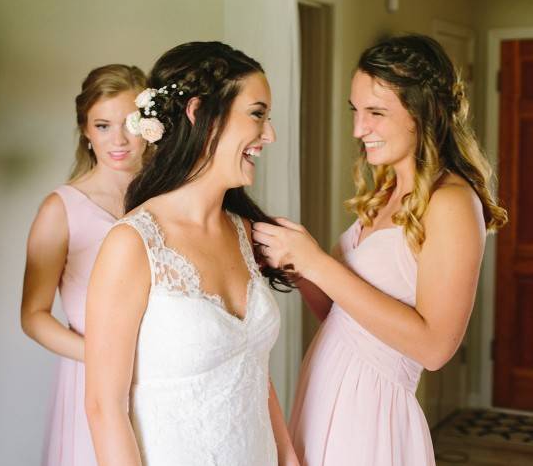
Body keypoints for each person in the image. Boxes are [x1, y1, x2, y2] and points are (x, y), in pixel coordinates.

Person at [252, 34, 507, 465]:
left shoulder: (451, 202)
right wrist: (298, 267)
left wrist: (318, 262)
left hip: (371, 415)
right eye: (356, 112)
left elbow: (434, 348)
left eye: (376, 113)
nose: (358, 130)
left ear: (424, 113)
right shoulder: (387, 190)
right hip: (324, 395)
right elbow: (344, 316)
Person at [84, 41, 300, 466]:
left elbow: (252, 370)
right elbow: (103, 408)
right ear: (201, 114)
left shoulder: (244, 232)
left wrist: (289, 457)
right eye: (258, 113)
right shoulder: (132, 244)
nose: (269, 134)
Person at [20, 64, 147, 466]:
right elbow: (33, 316)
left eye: (131, 122)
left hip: (165, 374)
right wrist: (102, 355)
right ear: (86, 131)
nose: (119, 139)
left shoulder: (169, 200)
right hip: (92, 375)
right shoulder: (61, 210)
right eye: (104, 125)